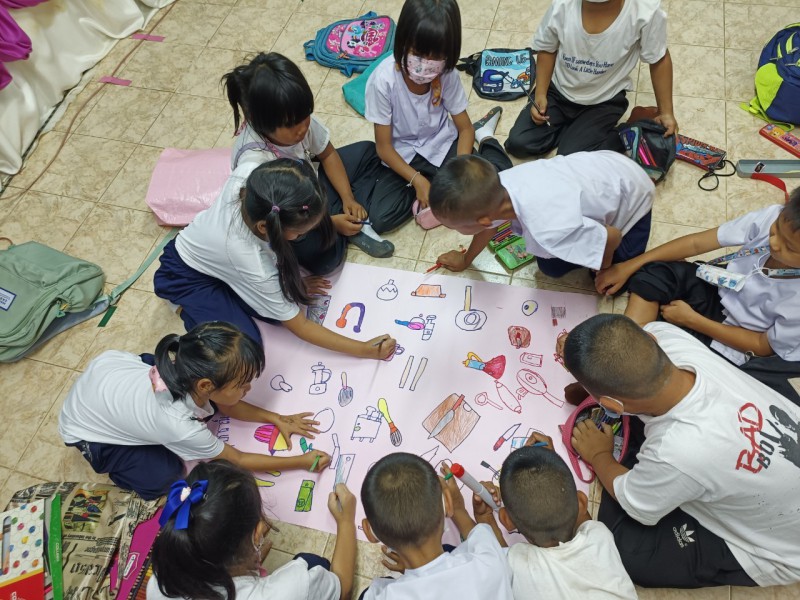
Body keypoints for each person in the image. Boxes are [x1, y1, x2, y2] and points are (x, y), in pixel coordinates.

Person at [565, 314, 800, 588]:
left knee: (630, 550)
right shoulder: (665, 333)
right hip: (767, 456)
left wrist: (599, 455)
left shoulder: (675, 453)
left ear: (612, 404)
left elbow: (634, 503)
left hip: (786, 547)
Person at [59, 322, 330, 500]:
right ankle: (120, 466)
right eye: (242, 384)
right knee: (164, 478)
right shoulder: (181, 425)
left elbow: (225, 402)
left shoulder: (185, 366)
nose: (249, 388)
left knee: (209, 405)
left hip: (106, 375)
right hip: (87, 431)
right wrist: (300, 461)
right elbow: (237, 458)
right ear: (205, 385)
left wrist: (276, 418)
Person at [154, 159, 396, 359]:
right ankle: (185, 306)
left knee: (280, 297)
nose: (302, 236)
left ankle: (234, 288)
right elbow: (300, 326)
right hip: (186, 276)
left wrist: (331, 223)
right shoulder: (253, 263)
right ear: (265, 227)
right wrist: (364, 350)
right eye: (299, 233)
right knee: (243, 349)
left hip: (223, 259)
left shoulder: (254, 175)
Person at [595, 188, 800, 401]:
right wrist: (628, 266)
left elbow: (760, 345)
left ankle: (635, 369)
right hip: (720, 291)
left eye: (790, 248)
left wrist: (692, 320)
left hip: (739, 339)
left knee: (701, 387)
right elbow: (696, 243)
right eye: (776, 229)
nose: (774, 243)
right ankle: (627, 352)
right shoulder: (773, 216)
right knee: (656, 272)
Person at [223, 52, 394, 261]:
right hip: (291, 215)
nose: (303, 128)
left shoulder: (295, 118)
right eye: (292, 124)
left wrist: (347, 197)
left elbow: (328, 154)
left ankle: (339, 213)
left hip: (310, 183)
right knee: (323, 258)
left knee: (368, 152)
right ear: (262, 124)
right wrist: (331, 224)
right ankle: (338, 225)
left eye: (305, 115)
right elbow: (274, 226)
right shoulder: (255, 164)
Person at [365, 0, 512, 214]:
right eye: (418, 53)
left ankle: (486, 137)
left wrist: (459, 169)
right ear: (403, 41)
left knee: (491, 187)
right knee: (382, 216)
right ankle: (429, 188)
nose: (425, 64)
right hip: (403, 153)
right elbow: (384, 148)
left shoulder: (447, 74)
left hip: (442, 143)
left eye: (435, 57)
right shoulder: (383, 81)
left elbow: (465, 129)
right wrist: (417, 181)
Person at [147, 460, 357, 600]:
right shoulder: (294, 588)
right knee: (313, 562)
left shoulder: (160, 581)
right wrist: (346, 520)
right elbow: (343, 587)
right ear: (256, 534)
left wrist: (245, 558)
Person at [429, 151, 654, 278]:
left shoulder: (549, 229)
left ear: (483, 220)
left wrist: (604, 268)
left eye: (452, 227)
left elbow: (612, 236)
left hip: (634, 198)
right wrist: (466, 259)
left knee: (606, 281)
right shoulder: (496, 186)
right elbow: (489, 226)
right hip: (608, 165)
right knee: (550, 266)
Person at [505, 0, 676, 158]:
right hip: (558, 91)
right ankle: (575, 133)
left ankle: (633, 124)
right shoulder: (562, 5)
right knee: (519, 143)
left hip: (604, 100)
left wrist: (666, 112)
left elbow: (659, 59)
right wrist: (540, 94)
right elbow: (547, 49)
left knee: (572, 158)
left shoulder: (645, 11)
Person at [470, 438, 636, 599]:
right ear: (581, 501)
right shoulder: (600, 536)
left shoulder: (518, 565)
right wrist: (551, 464)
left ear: (506, 520)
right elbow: (581, 516)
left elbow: (496, 556)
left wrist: (484, 516)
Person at [358, 453, 513, 599]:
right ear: (448, 503)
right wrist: (460, 511)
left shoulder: (376, 595)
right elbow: (490, 545)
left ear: (368, 531)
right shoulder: (489, 561)